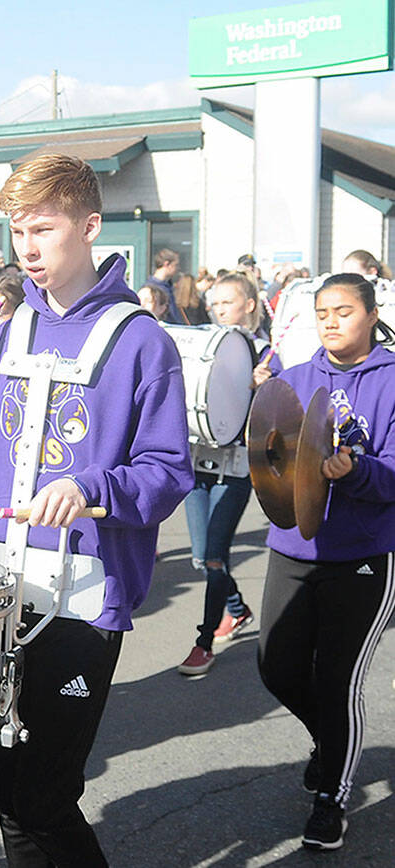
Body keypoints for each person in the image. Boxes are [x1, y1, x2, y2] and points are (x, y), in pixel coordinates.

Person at [0, 154, 192, 866]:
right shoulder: (5, 334)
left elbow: (168, 473)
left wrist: (94, 488)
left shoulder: (143, 342)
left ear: (91, 225)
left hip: (81, 598)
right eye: (18, 232)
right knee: (8, 793)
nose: (28, 248)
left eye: (43, 228)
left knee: (45, 795)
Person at [255, 272, 395, 851]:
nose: (331, 321)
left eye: (343, 310)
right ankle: (332, 741)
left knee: (338, 682)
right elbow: (271, 456)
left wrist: (355, 470)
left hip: (362, 554)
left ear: (370, 314)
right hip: (293, 547)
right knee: (276, 667)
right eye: (322, 312)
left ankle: (331, 798)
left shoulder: (391, 381)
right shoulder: (297, 378)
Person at [176, 271, 279, 676]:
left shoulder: (268, 353)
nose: (218, 310)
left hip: (235, 469)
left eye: (227, 303)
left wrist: (263, 389)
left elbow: (280, 417)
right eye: (214, 303)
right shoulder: (205, 344)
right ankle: (237, 610)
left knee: (214, 558)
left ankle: (204, 643)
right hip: (197, 461)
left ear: (249, 305)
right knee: (201, 559)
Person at [143, 248, 181, 323]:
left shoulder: (168, 286)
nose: (177, 268)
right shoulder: (150, 288)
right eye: (175, 265)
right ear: (166, 264)